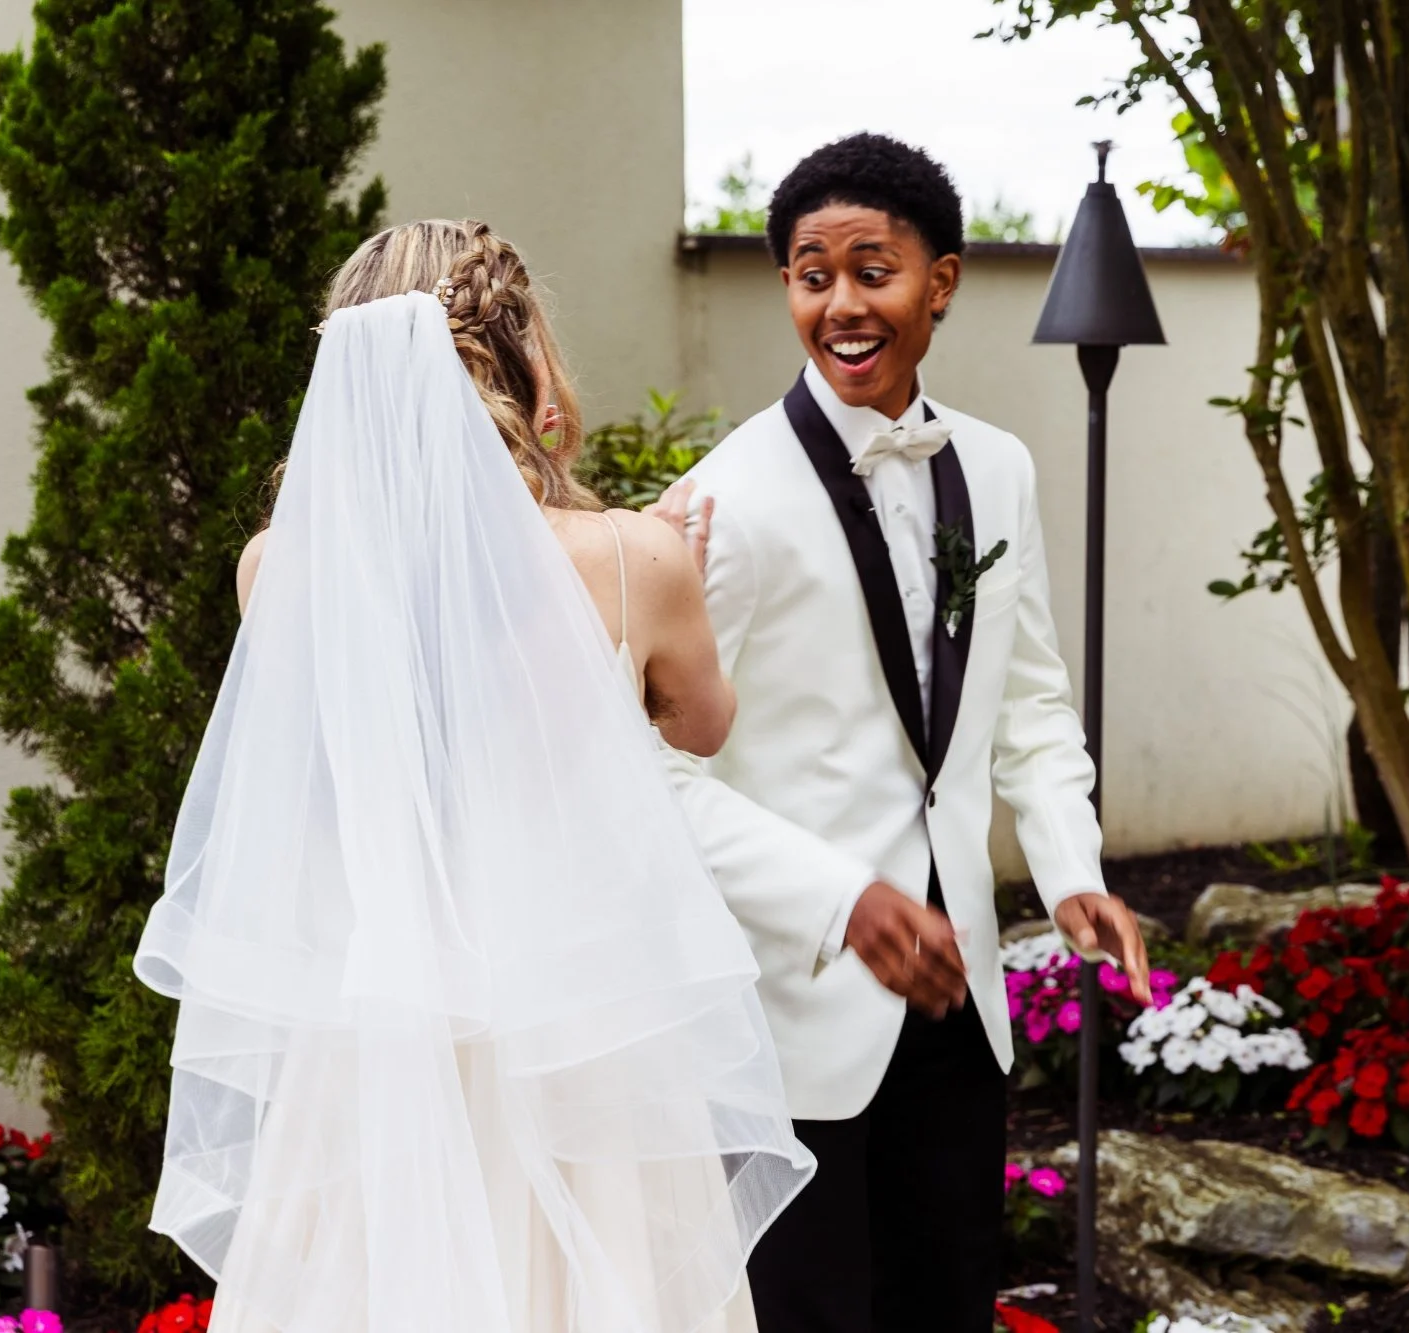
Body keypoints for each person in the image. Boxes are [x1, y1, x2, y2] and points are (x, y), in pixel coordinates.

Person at [134, 220, 813, 1333]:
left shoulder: (279, 567)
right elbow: (700, 725)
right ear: (517, 366)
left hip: (373, 1034)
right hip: (575, 1030)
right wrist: (657, 572)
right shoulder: (634, 560)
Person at [646, 134, 1153, 1333]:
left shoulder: (1001, 469)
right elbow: (651, 775)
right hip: (788, 1012)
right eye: (810, 273)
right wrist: (841, 899)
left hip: (955, 1003)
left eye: (871, 269)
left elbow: (1027, 702)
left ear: (941, 281)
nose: (840, 303)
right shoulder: (719, 503)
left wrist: (1070, 868)